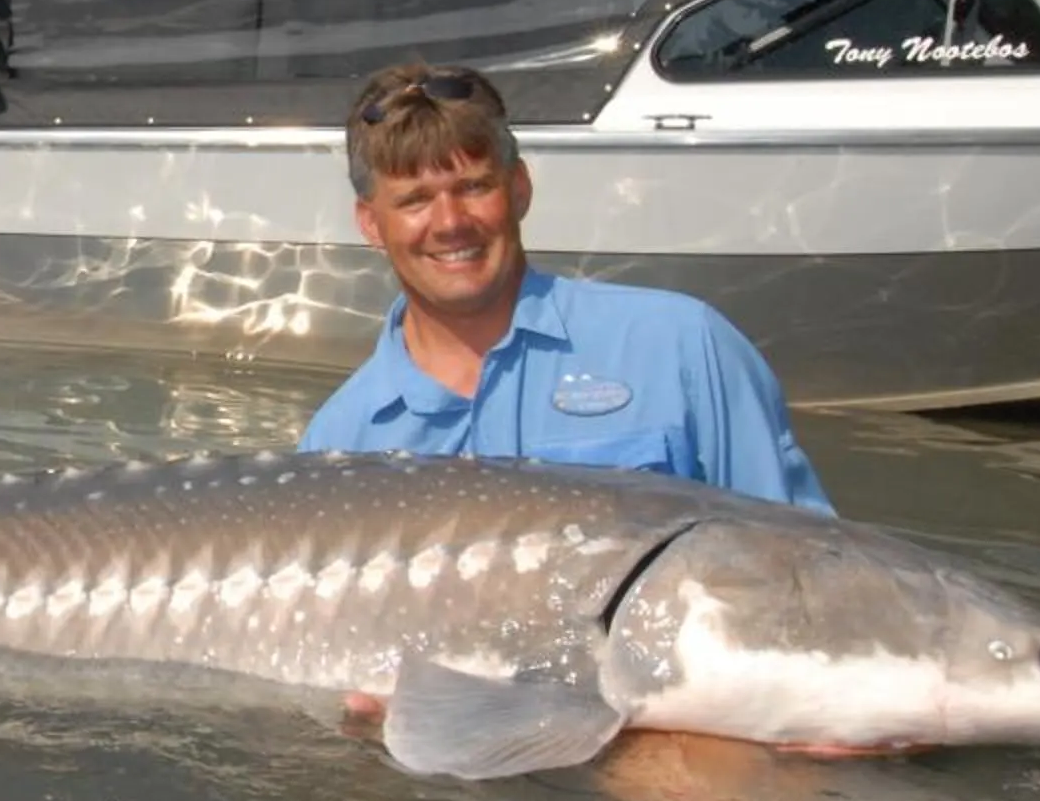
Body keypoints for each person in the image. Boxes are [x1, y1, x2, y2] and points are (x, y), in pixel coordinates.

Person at [304, 61, 831, 512]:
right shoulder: (337, 442)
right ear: (371, 224)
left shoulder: (683, 347)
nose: (450, 223)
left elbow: (801, 570)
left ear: (519, 188)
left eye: (473, 187)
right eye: (415, 199)